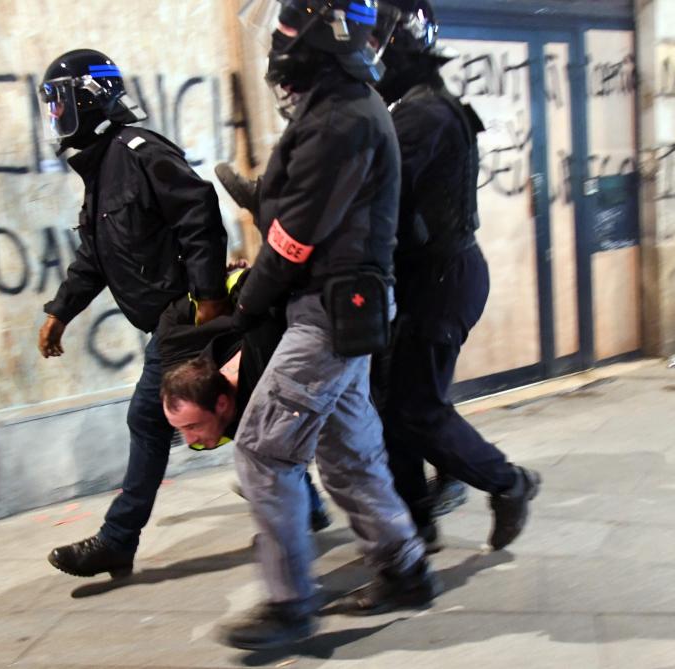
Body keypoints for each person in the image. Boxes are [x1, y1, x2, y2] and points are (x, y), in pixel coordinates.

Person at [221, 0, 436, 650]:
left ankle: (289, 604)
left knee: (262, 448)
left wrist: (246, 304)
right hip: (341, 305)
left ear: (317, 33)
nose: (278, 38)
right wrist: (257, 194)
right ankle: (404, 568)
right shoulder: (337, 104)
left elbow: (297, 232)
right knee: (346, 454)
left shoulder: (344, 113)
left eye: (287, 24)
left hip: (333, 310)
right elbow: (308, 200)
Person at [35, 49, 230, 578]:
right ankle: (306, 502)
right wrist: (61, 312)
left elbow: (200, 210)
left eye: (58, 102)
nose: (54, 115)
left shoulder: (140, 151)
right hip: (169, 319)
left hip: (184, 315)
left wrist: (209, 295)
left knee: (148, 417)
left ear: (86, 97)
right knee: (242, 409)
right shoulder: (102, 168)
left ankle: (118, 540)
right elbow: (95, 256)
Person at [372, 1, 540, 551]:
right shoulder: (419, 107)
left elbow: (378, 193)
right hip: (433, 277)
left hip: (440, 280)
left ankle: (509, 483)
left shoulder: (420, 115)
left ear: (395, 48)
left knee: (416, 409)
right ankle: (416, 525)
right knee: (396, 409)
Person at [154, 268, 332, 532]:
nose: (189, 441)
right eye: (182, 429)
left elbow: (262, 283)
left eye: (191, 427)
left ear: (221, 404)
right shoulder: (181, 359)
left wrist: (236, 286)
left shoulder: (265, 354)